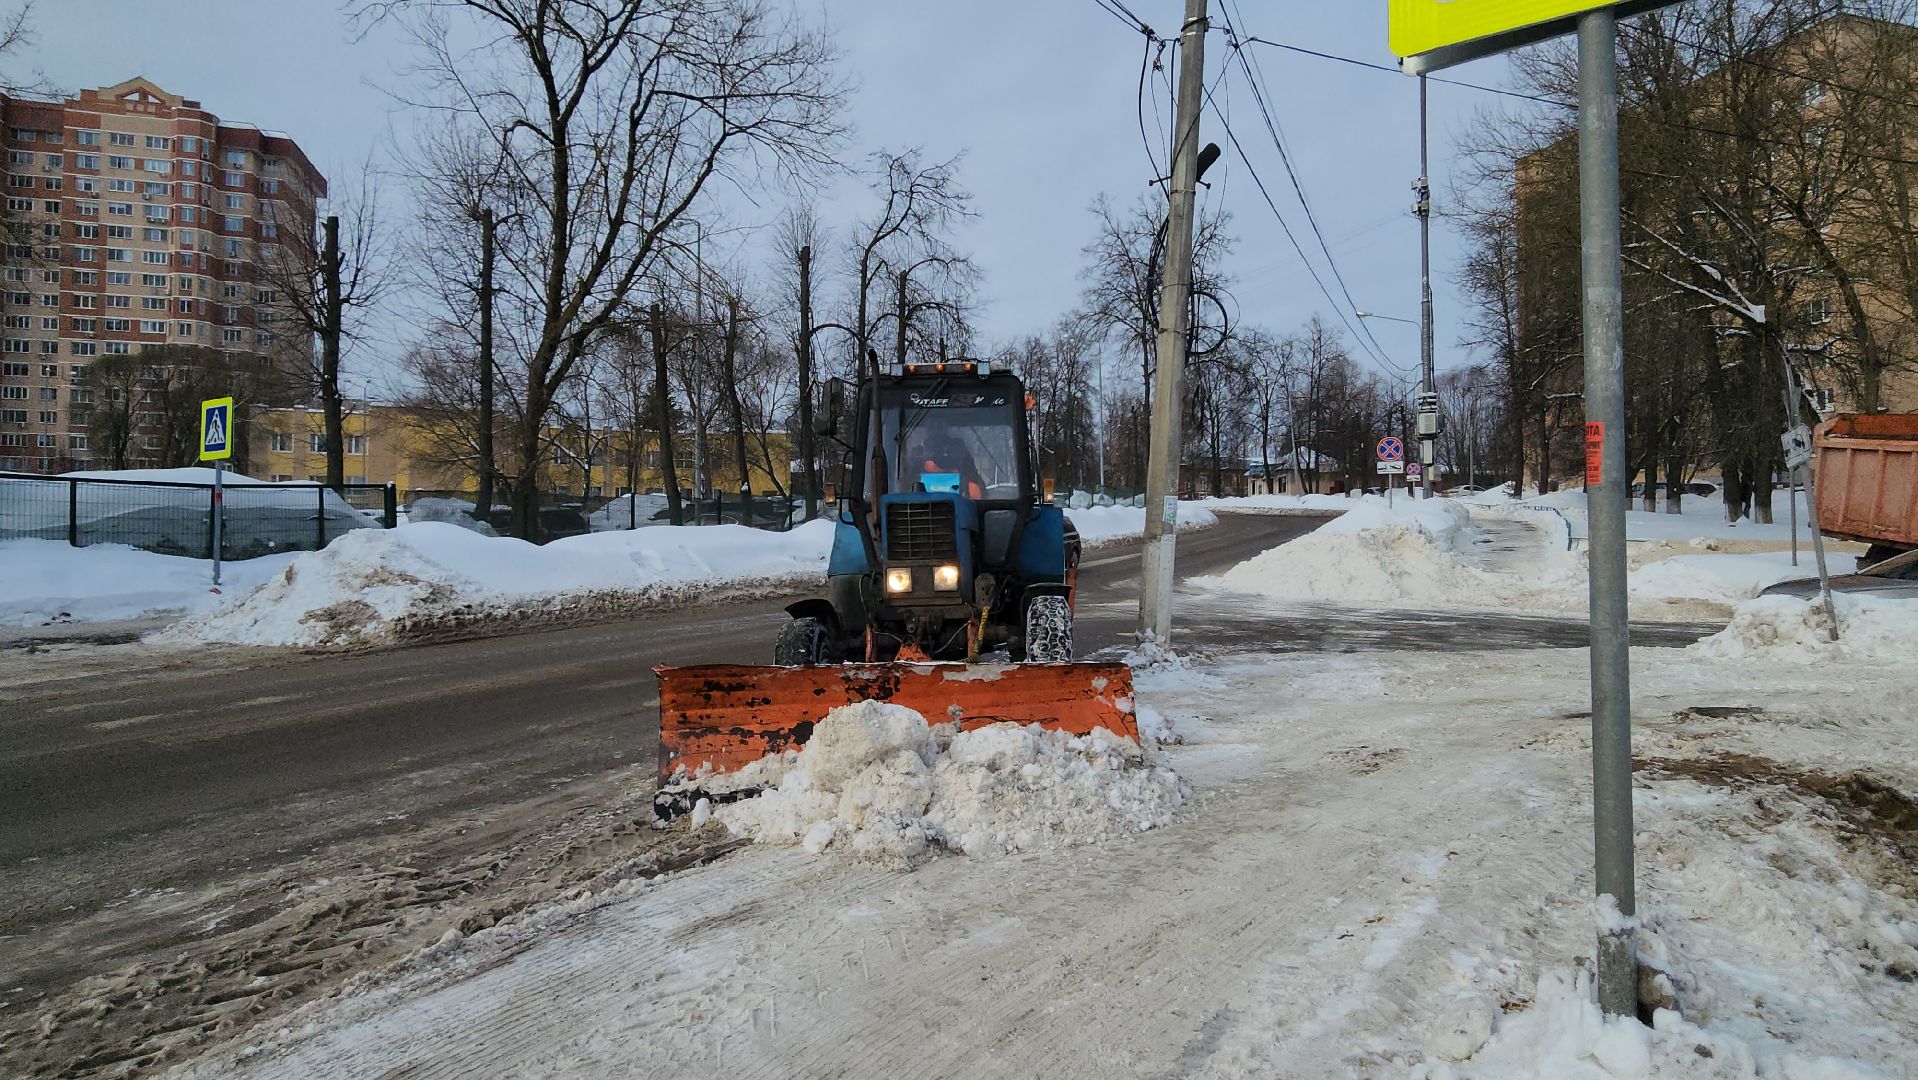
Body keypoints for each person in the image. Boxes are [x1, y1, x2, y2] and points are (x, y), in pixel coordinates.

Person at [911, 431, 985, 499]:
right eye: (936, 451)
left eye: (948, 453)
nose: (942, 457)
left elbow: (981, 504)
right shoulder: (915, 478)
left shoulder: (971, 487)